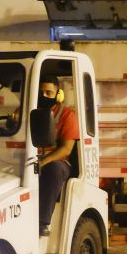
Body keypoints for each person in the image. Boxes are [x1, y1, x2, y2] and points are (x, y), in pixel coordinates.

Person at [37, 74, 80, 237]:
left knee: (53, 170)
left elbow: (66, 149)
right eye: (41, 92)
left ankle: (42, 223)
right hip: (31, 158)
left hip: (58, 162)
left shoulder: (67, 115)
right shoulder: (27, 111)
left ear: (58, 94)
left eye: (49, 93)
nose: (44, 96)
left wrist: (42, 162)